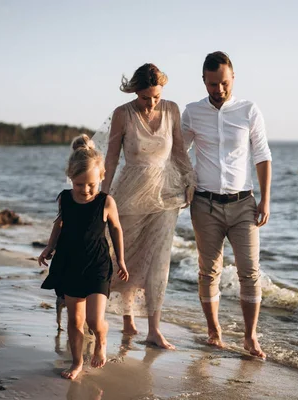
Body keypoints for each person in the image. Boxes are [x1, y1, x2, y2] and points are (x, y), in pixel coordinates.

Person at [182, 51, 272, 359]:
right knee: (209, 272)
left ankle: (250, 337)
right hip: (204, 205)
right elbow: (179, 152)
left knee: (250, 271)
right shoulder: (192, 112)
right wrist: (186, 182)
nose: (218, 90)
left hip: (243, 203)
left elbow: (262, 155)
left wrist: (265, 200)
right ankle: (214, 332)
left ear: (232, 78)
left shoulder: (249, 110)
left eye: (223, 83)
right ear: (203, 81)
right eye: (211, 85)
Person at [100, 63, 195, 349]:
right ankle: (126, 317)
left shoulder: (172, 109)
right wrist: (103, 199)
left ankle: (154, 329)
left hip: (165, 195)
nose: (151, 102)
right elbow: (112, 158)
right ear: (134, 91)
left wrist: (189, 179)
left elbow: (178, 150)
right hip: (128, 195)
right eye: (145, 97)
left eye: (156, 96)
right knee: (125, 258)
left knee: (158, 262)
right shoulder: (122, 114)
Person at [38, 134, 129, 379]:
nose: (86, 190)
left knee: (94, 319)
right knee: (74, 320)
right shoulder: (65, 198)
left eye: (91, 184)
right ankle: (77, 362)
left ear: (101, 177)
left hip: (98, 265)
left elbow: (117, 229)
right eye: (79, 185)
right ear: (71, 179)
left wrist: (120, 260)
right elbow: (59, 223)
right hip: (69, 264)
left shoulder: (106, 202)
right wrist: (49, 247)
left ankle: (102, 337)